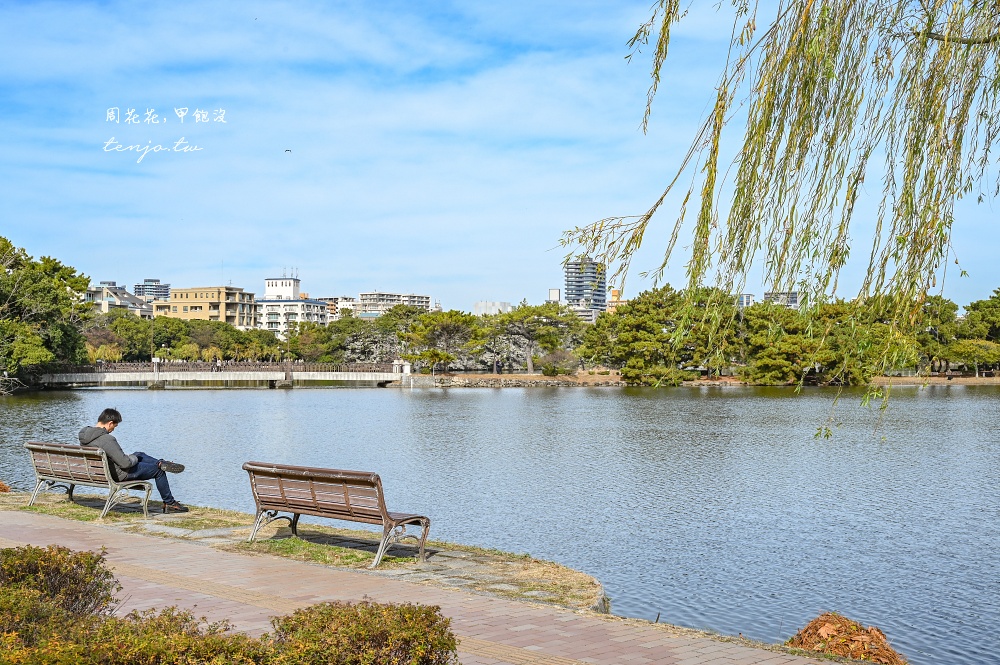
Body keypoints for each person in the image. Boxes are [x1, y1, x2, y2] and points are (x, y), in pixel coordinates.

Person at [78, 408, 189, 513]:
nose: (113, 430)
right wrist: (132, 458)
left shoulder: (85, 436)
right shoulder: (107, 439)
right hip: (119, 474)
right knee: (158, 471)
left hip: (100, 472)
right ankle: (169, 502)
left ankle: (161, 462)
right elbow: (125, 463)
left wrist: (132, 457)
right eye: (114, 427)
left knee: (139, 454)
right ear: (110, 423)